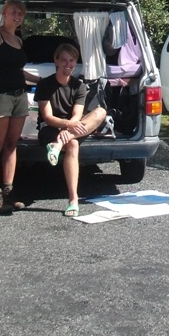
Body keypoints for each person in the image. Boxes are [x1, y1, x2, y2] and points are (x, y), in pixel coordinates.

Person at [34, 43, 106, 217]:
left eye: (71, 60)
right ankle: (73, 200)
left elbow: (77, 115)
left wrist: (68, 130)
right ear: (56, 61)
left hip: (72, 128)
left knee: (101, 111)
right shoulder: (45, 84)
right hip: (50, 129)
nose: (68, 64)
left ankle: (57, 147)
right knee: (73, 144)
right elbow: (48, 118)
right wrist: (67, 127)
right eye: (64, 60)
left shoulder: (79, 86)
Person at [0, 0, 33, 214]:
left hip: (19, 97)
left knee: (12, 145)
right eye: (13, 12)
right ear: (4, 13)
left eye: (20, 13)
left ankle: (9, 191)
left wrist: (43, 80)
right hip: (0, 96)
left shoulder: (18, 40)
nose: (17, 16)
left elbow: (19, 71)